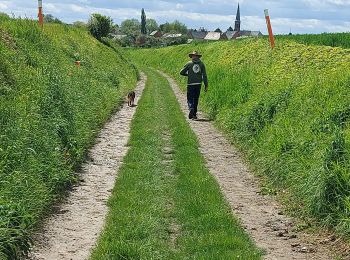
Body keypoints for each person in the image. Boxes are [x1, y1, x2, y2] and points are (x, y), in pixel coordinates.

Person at [180, 51, 208, 120]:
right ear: (198, 57)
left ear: (192, 57)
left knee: (190, 98)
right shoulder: (201, 64)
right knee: (196, 99)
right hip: (198, 84)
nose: (193, 57)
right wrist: (206, 84)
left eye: (193, 56)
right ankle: (194, 114)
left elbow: (181, 72)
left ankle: (191, 108)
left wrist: (188, 74)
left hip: (190, 84)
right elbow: (204, 75)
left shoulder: (189, 64)